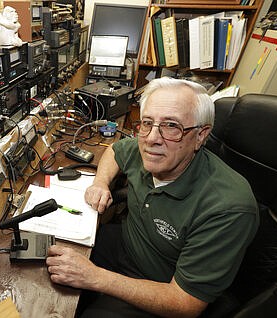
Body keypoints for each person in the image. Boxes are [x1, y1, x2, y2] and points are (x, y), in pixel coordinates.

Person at [45, 77, 259, 317]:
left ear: (200, 135)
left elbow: (185, 303)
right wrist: (100, 183)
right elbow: (115, 150)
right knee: (46, 257)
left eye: (171, 126)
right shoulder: (148, 147)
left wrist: (95, 278)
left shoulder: (229, 207)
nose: (151, 139)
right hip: (127, 244)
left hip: (160, 285)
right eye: (147, 123)